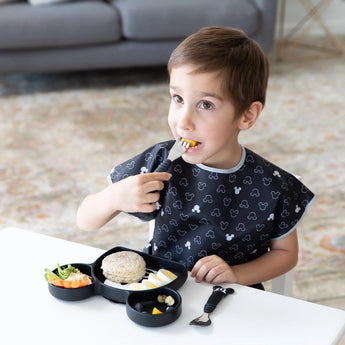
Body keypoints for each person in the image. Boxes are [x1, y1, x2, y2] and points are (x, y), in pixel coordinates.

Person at [77, 27, 315, 289]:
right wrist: (112, 198)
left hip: (233, 300)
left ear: (247, 116)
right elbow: (85, 221)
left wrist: (236, 274)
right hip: (158, 291)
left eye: (206, 105)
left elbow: (286, 255)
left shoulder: (273, 186)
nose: (183, 121)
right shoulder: (161, 160)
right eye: (177, 98)